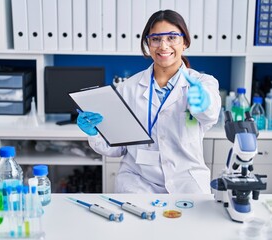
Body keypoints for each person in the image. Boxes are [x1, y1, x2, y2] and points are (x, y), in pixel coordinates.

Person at [77, 10, 221, 193]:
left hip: (186, 180)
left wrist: (204, 104)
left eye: (172, 37)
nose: (163, 46)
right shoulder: (128, 88)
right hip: (138, 182)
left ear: (184, 42)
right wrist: (95, 132)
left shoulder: (203, 84)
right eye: (156, 39)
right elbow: (117, 149)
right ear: (148, 43)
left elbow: (211, 115)